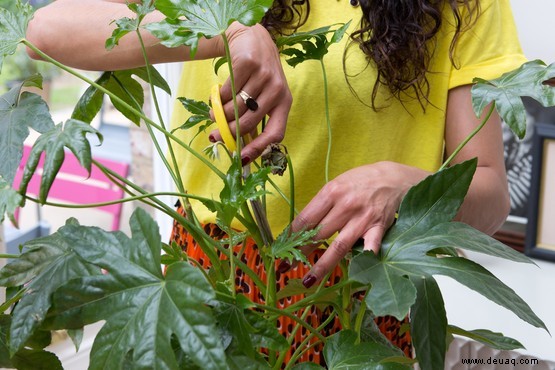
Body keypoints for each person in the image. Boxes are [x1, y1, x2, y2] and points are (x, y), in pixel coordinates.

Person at [27, 0, 525, 365]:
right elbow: (47, 28)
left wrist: (405, 185)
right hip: (209, 287)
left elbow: (491, 196)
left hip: (355, 301)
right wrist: (228, 30)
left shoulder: (469, 7)